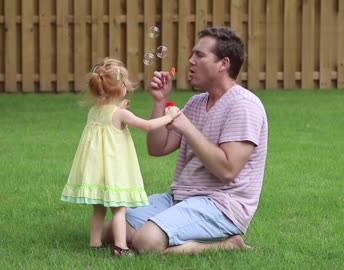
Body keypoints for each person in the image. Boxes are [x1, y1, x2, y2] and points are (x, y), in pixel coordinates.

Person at [103, 27, 268, 255]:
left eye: (199, 56)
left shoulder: (244, 106)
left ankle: (228, 244)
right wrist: (160, 102)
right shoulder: (196, 103)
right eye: (192, 55)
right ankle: (170, 234)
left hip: (222, 205)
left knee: (145, 242)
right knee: (113, 231)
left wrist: (187, 127)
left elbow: (228, 170)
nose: (190, 61)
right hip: (181, 198)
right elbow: (157, 148)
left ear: (224, 64)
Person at [60, 58, 181, 256]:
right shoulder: (120, 114)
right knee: (119, 210)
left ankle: (95, 244)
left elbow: (107, 127)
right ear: (122, 87)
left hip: (97, 171)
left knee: (98, 209)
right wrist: (170, 116)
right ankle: (121, 247)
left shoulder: (94, 111)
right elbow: (147, 126)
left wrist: (120, 110)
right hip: (114, 170)